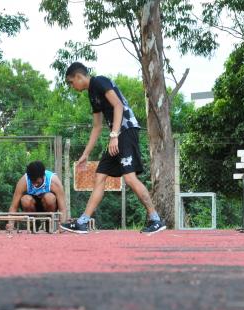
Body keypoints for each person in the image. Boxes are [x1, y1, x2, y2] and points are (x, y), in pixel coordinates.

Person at [60, 62, 166, 234]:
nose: (72, 87)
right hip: (116, 135)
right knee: (100, 176)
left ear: (79, 77)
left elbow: (118, 105)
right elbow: (96, 127)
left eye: (71, 82)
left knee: (130, 178)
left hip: (126, 131)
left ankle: (155, 219)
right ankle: (83, 222)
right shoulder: (92, 94)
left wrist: (114, 135)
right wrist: (85, 154)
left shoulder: (100, 81)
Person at [6, 160, 67, 231]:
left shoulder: (54, 181)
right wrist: (10, 224)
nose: (35, 184)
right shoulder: (23, 181)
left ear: (43, 176)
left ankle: (49, 222)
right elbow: (13, 206)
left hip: (48, 206)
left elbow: (63, 208)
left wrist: (62, 226)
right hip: (32, 207)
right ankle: (33, 223)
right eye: (33, 181)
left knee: (49, 198)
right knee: (25, 199)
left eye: (37, 182)